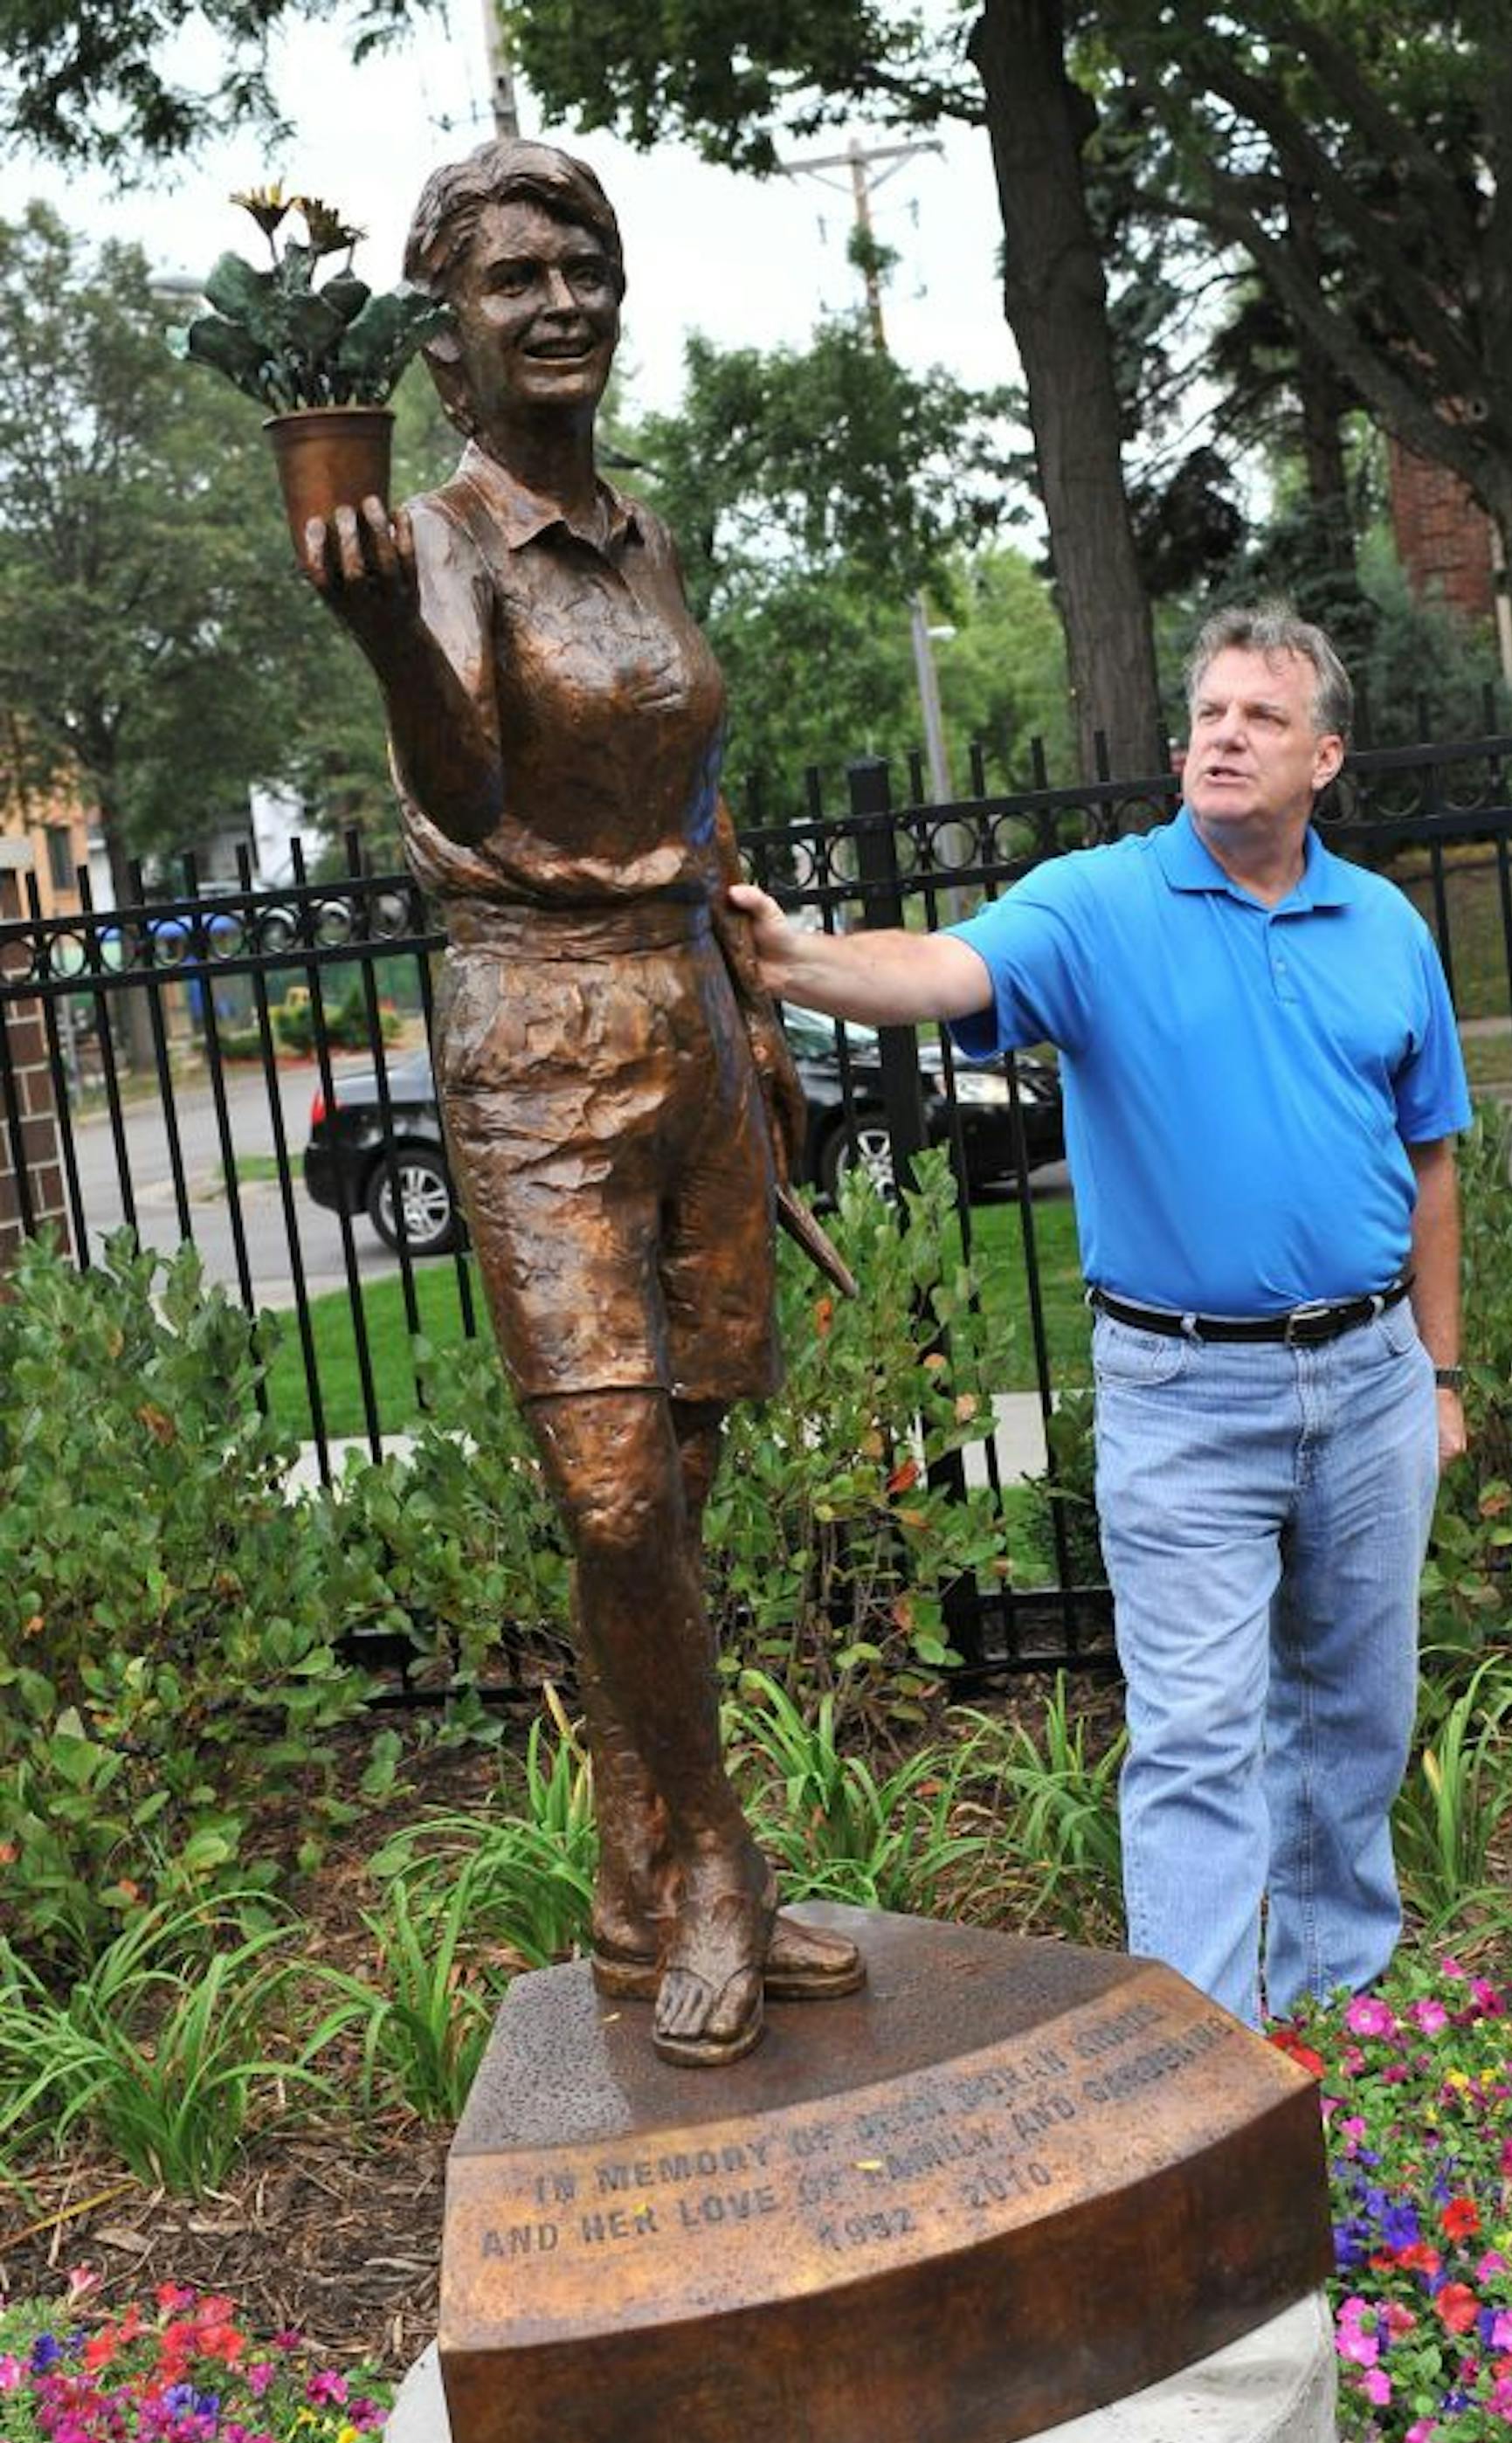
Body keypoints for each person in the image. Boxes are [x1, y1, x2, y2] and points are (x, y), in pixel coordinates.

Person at [302, 139, 862, 2065]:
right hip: (534, 1040)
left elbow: (694, 794)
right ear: (444, 344)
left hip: (692, 1041)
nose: (559, 302)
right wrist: (386, 636)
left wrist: (759, 1023)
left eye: (584, 268)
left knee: (680, 1502)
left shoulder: (643, 532)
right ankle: (716, 1870)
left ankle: (643, 1897)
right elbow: (465, 792)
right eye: (514, 277)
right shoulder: (439, 542)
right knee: (617, 1508)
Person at [730, 605, 1471, 2023]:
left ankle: (1338, 2029)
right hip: (1186, 1397)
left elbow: (1430, 1159)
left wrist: (1440, 1374)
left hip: (1373, 1379)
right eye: (1209, 714)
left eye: (1261, 716)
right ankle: (1203, 2069)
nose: (1226, 735)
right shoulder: (1101, 905)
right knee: (1198, 1738)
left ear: (1326, 755)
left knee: (1355, 1725)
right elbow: (943, 970)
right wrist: (797, 957)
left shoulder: (1384, 929)